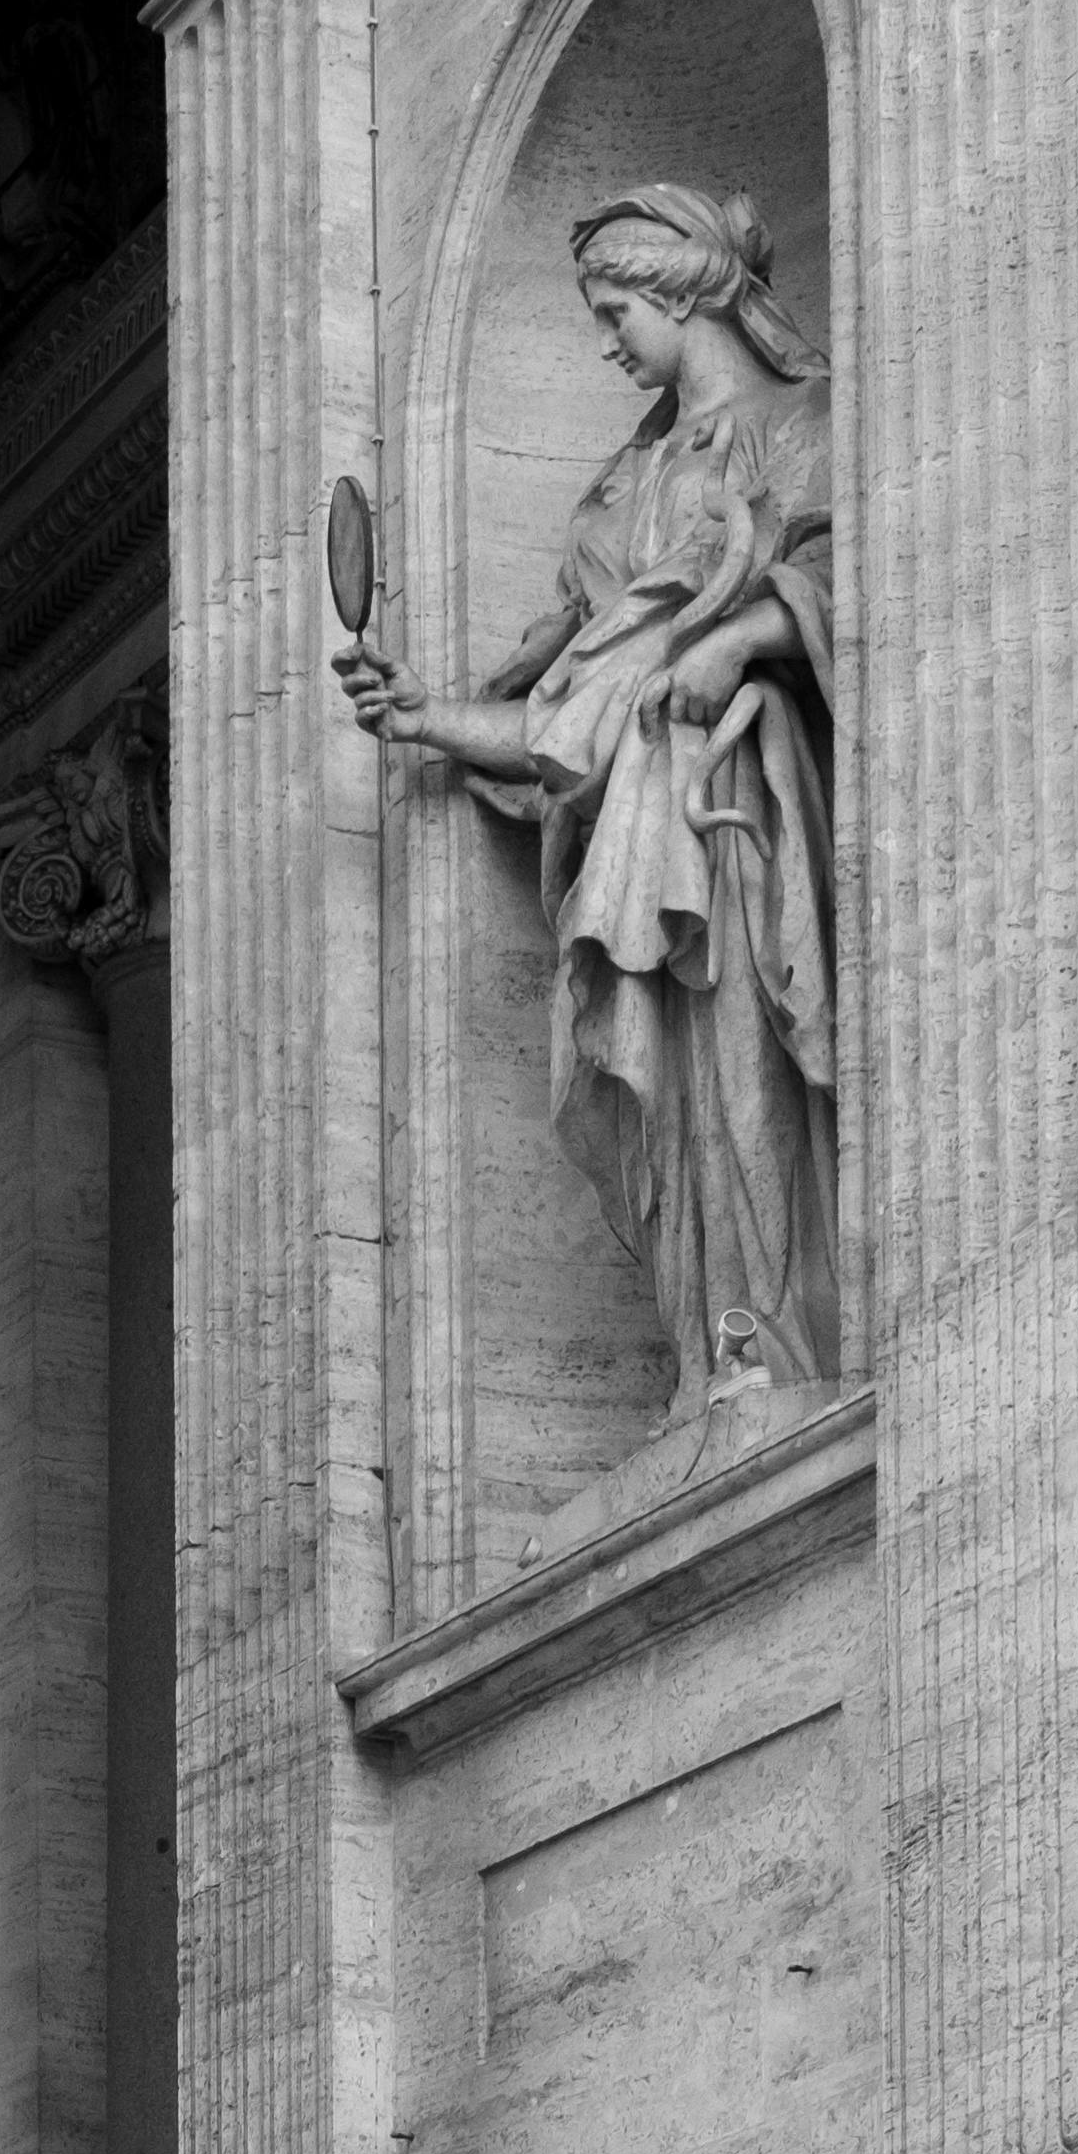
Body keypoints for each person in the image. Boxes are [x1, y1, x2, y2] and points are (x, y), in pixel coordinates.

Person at [335, 181, 839, 1409]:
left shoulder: (806, 426)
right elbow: (572, 712)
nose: (605, 340)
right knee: (664, 1109)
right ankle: (706, 1343)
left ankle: (772, 1341)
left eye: (615, 310)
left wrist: (747, 636)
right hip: (629, 831)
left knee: (741, 1077)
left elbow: (859, 570)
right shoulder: (617, 497)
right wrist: (425, 718)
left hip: (735, 820)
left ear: (684, 296)